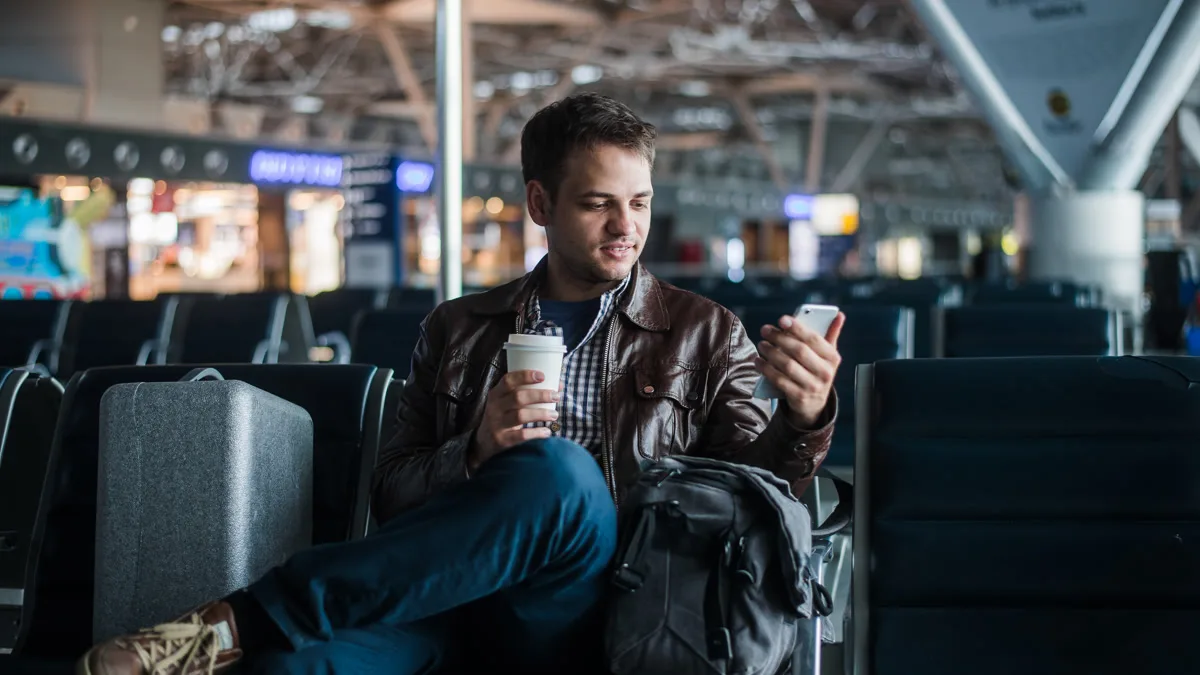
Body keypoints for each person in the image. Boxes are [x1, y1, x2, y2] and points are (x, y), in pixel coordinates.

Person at [79, 93, 844, 675]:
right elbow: (394, 491)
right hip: (451, 598)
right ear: (540, 203)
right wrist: (474, 452)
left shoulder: (702, 331)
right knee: (296, 664)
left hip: (608, 607)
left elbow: (755, 503)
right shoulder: (459, 327)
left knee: (559, 475)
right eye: (598, 202)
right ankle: (250, 636)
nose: (626, 226)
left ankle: (234, 620)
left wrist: (804, 417)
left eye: (638, 202)